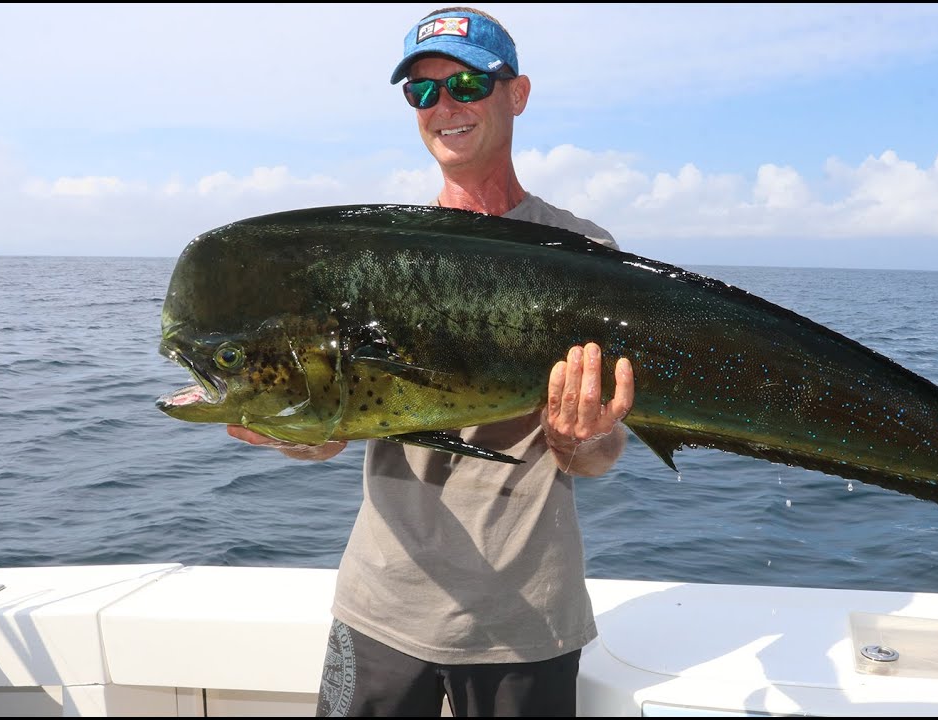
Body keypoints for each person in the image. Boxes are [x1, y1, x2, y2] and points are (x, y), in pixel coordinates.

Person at [227, 6, 635, 717]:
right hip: (381, 605)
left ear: (517, 93)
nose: (443, 106)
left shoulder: (583, 253)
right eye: (422, 92)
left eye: (467, 84)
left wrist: (583, 441)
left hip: (526, 620)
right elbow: (331, 428)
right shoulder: (382, 258)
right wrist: (299, 433)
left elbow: (600, 454)